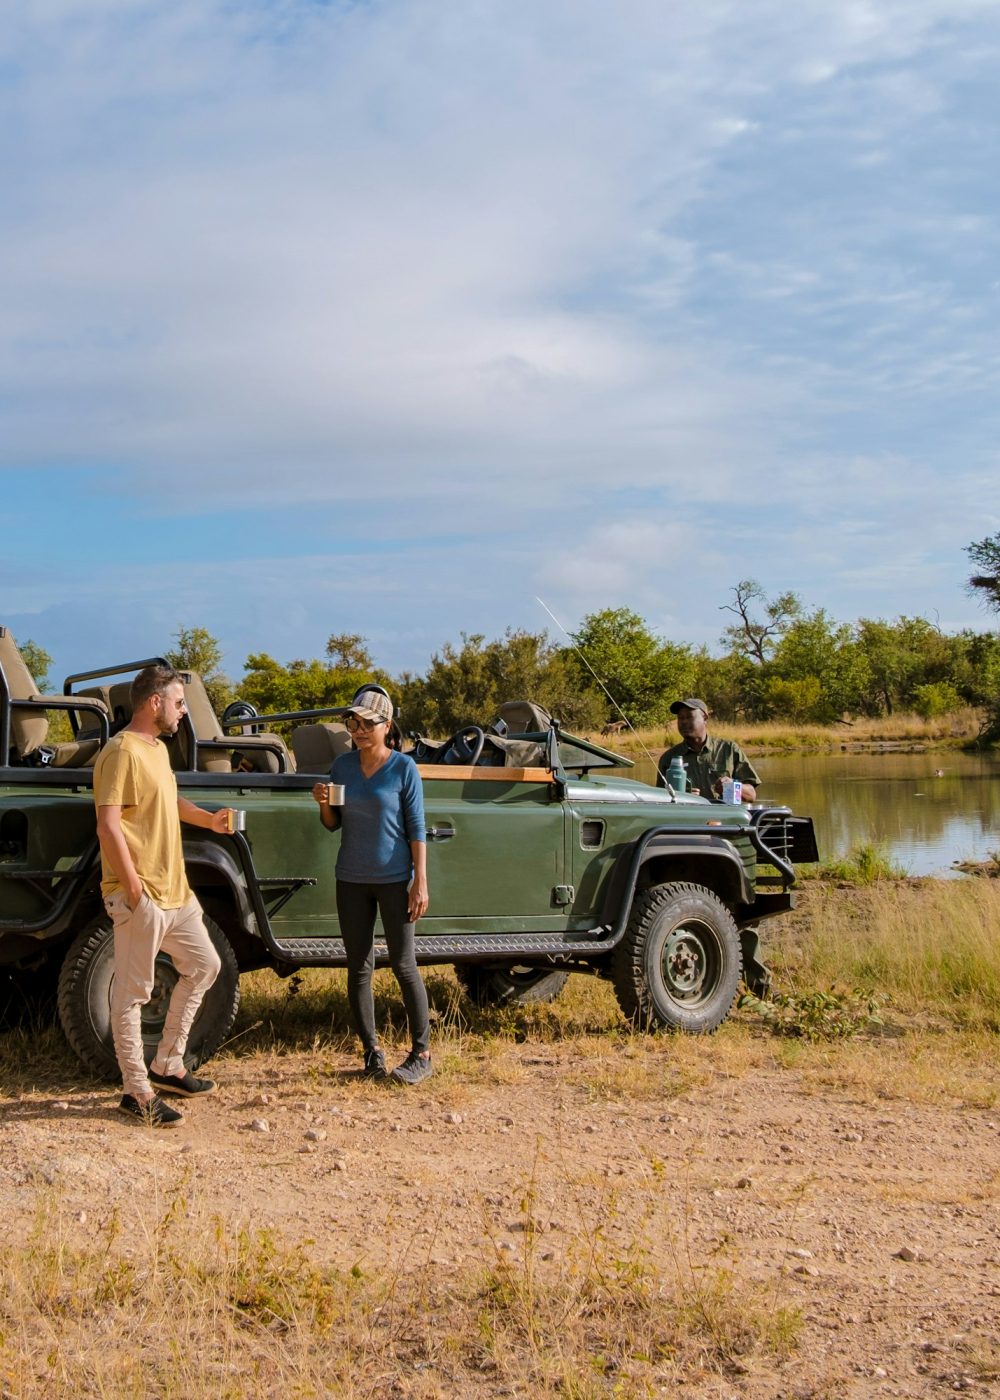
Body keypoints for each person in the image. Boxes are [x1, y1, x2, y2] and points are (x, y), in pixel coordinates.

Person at [94, 664, 234, 1127]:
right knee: (133, 995)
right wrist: (134, 890)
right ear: (154, 702)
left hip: (177, 894)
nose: (181, 712)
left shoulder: (156, 750)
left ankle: (168, 1065)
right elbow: (108, 824)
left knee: (206, 966)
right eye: (177, 703)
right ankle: (136, 1092)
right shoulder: (121, 752)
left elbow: (168, 803)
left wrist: (209, 820)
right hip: (143, 896)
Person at [312, 687, 431, 1085]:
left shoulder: (403, 769)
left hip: (396, 880)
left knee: (403, 964)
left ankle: (421, 1053)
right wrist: (323, 803)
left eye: (367, 723)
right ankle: (372, 1051)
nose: (358, 730)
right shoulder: (342, 767)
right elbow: (333, 825)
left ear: (387, 725)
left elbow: (416, 830)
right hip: (350, 878)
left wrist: (420, 882)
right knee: (359, 967)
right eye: (353, 723)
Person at [656, 698, 759, 801]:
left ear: (705, 718)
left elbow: (751, 795)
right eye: (680, 718)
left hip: (722, 815)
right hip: (688, 815)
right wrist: (683, 797)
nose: (683, 722)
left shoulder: (729, 749)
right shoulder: (669, 758)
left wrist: (732, 787)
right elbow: (659, 800)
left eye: (689, 717)